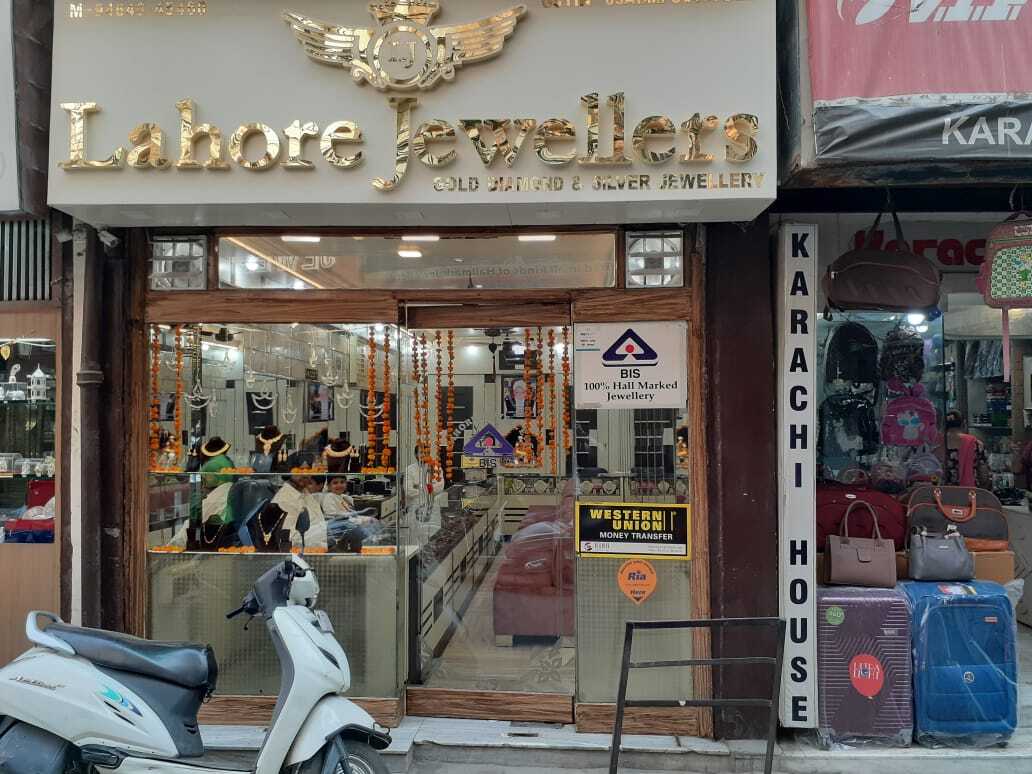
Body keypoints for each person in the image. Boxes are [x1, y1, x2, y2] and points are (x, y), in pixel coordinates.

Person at [317, 474, 384, 551]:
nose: (339, 485)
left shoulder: (345, 498)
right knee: (360, 530)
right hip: (337, 524)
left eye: (342, 482)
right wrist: (359, 519)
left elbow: (352, 513)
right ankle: (363, 548)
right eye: (335, 483)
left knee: (372, 522)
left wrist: (364, 518)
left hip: (346, 522)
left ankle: (357, 550)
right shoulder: (329, 497)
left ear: (346, 484)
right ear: (328, 486)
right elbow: (332, 515)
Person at [944, 410, 991, 489]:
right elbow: (983, 477)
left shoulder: (938, 443)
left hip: (942, 493)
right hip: (969, 493)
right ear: (964, 424)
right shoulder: (976, 444)